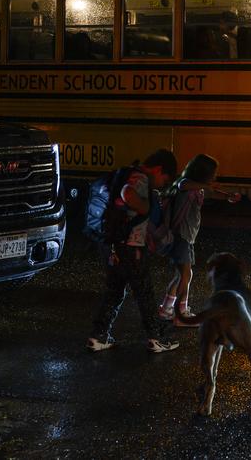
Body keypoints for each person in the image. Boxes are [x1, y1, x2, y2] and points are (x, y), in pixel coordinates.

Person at [87, 149, 180, 353]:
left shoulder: (127, 172)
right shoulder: (140, 177)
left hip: (111, 243)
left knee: (115, 291)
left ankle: (98, 335)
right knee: (144, 292)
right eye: (164, 180)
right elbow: (127, 193)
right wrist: (145, 207)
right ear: (158, 169)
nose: (161, 185)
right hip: (131, 246)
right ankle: (156, 338)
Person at [158, 154, 241, 327]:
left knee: (181, 275)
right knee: (185, 275)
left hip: (186, 236)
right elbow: (183, 184)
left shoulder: (196, 188)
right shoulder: (186, 184)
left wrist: (227, 196)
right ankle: (181, 316)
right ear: (204, 173)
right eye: (213, 173)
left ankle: (166, 309)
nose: (214, 176)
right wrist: (208, 186)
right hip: (180, 235)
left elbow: (208, 193)